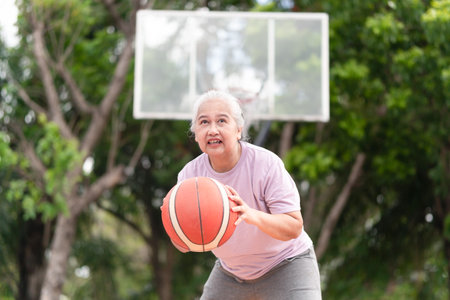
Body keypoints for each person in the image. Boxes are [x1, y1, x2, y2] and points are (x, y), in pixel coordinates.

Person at [175, 90, 322, 299]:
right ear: (196, 133)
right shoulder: (190, 176)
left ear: (238, 130)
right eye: (204, 122)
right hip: (231, 272)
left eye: (222, 121)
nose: (212, 129)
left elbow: (294, 227)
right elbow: (181, 244)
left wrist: (251, 215)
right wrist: (179, 229)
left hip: (287, 263)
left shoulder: (265, 164)